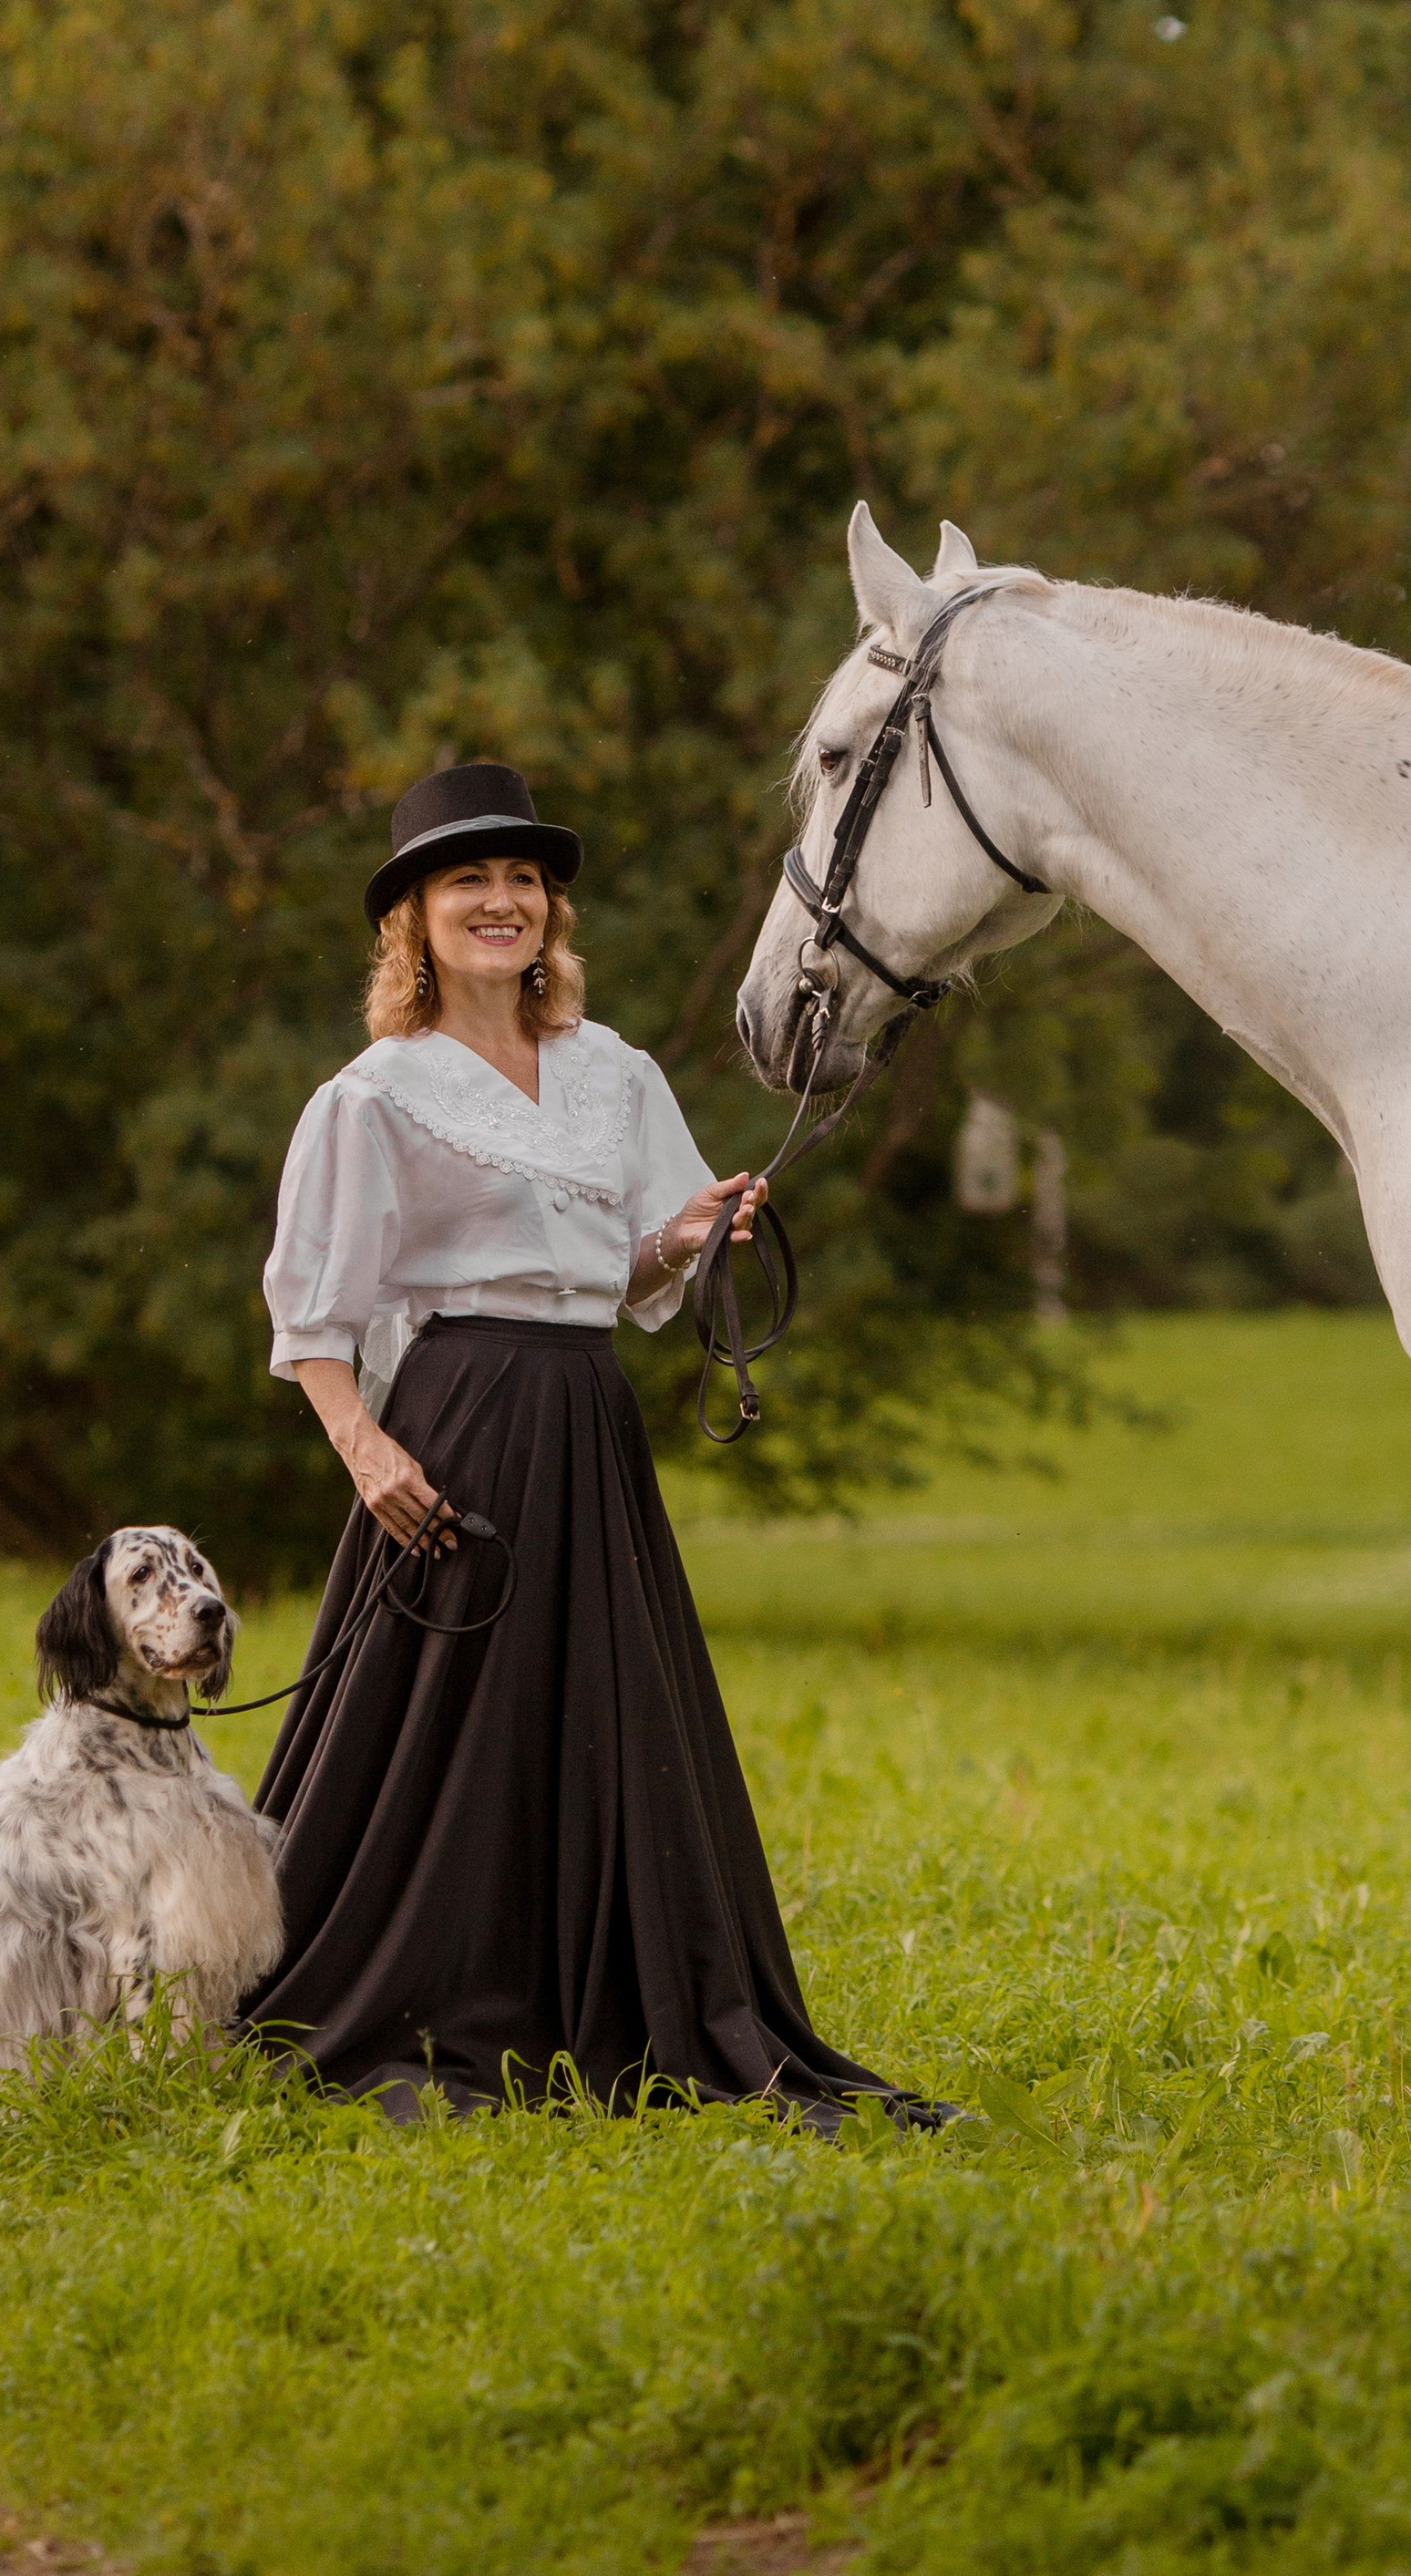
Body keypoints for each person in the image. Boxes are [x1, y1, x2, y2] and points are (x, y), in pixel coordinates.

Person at [244, 759, 935, 2128]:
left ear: (548, 911)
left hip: (586, 1417)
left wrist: (685, 1237)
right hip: (457, 1421)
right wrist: (366, 1449)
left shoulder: (612, 1071)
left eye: (521, 881)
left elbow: (621, 1272)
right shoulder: (374, 1096)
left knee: (610, 1714)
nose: (501, 902)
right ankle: (407, 1999)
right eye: (467, 882)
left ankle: (618, 2004)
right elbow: (314, 1311)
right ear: (415, 923)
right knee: (441, 1735)